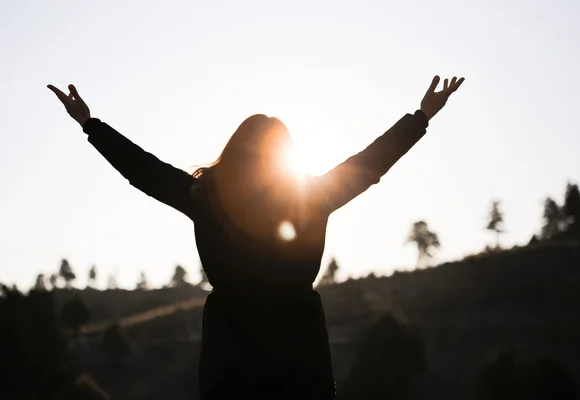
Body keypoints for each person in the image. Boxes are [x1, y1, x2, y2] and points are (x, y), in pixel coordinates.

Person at [47, 75, 464, 399]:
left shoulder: (204, 197)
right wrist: (421, 117)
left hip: (230, 366)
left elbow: (144, 171)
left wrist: (90, 125)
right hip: (301, 362)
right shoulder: (310, 198)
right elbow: (369, 164)